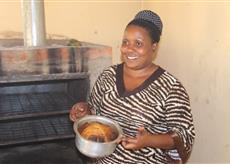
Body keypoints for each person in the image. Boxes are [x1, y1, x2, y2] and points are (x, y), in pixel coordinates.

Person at [70, 10, 195, 164]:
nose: (129, 49)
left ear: (154, 46)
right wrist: (84, 111)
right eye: (125, 42)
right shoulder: (108, 75)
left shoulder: (171, 88)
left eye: (138, 43)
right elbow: (95, 115)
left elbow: (184, 136)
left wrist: (149, 140)